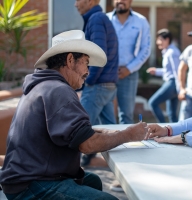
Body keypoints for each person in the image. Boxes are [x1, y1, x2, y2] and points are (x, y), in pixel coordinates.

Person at [0, 30, 147, 199]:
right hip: (31, 184)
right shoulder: (59, 90)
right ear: (70, 60)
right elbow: (87, 145)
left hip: (26, 177)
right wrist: (128, 134)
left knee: (93, 181)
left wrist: (104, 133)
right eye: (86, 63)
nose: (88, 72)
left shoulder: (44, 86)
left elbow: (73, 133)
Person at [75, 0, 119, 167]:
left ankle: (64, 175)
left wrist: (88, 81)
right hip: (106, 85)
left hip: (98, 85)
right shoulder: (98, 18)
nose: (75, 4)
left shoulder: (96, 19)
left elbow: (97, 55)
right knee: (113, 135)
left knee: (77, 130)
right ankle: (125, 172)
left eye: (78, 0)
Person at [107, 0, 151, 124]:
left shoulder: (141, 21)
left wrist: (129, 69)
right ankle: (107, 142)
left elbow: (146, 49)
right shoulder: (105, 19)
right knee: (106, 113)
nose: (121, 1)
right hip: (107, 74)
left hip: (129, 74)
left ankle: (125, 143)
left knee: (126, 115)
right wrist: (108, 67)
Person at [147, 29, 181, 123]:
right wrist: (156, 71)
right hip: (172, 82)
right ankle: (174, 133)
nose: (158, 42)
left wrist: (179, 89)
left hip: (172, 83)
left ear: (167, 40)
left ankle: (162, 127)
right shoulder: (168, 51)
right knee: (172, 114)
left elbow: (177, 71)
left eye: (160, 39)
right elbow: (167, 71)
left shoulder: (172, 52)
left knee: (152, 103)